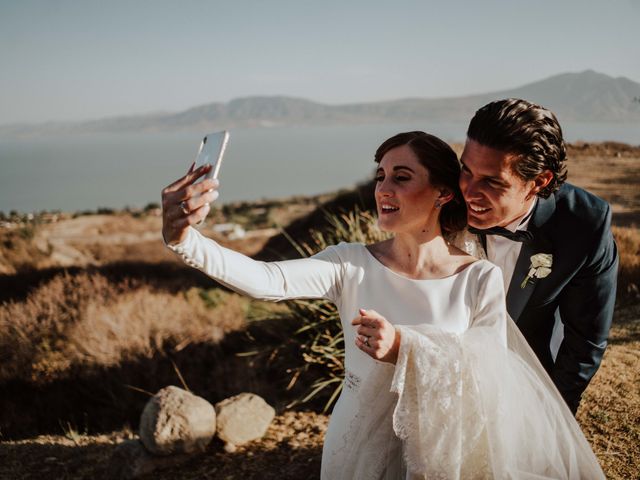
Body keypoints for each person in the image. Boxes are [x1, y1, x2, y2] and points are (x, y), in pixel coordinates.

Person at [161, 131, 604, 479]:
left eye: (402, 177)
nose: (383, 188)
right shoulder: (348, 263)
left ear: (443, 192)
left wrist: (403, 347)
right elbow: (266, 280)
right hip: (358, 447)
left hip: (444, 450)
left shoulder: (478, 277)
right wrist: (183, 239)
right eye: (380, 176)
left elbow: (489, 366)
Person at [459, 98, 619, 414]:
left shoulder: (584, 225)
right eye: (465, 169)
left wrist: (553, 416)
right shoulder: (445, 198)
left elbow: (585, 341)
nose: (468, 190)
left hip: (526, 378)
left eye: (492, 181)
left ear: (540, 182)